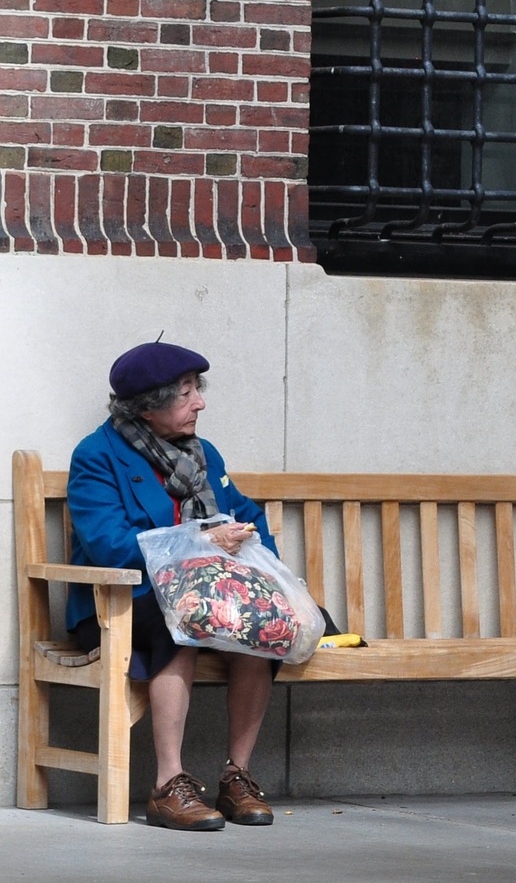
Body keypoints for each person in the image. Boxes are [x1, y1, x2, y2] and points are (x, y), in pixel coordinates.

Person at [66, 339, 279, 831]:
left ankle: (237, 776)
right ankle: (168, 785)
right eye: (186, 394)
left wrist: (261, 559)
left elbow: (246, 514)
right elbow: (109, 546)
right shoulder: (97, 456)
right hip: (121, 604)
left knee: (259, 626)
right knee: (180, 621)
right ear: (147, 407)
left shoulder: (203, 453)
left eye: (196, 390)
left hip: (200, 596)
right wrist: (202, 540)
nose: (199, 403)